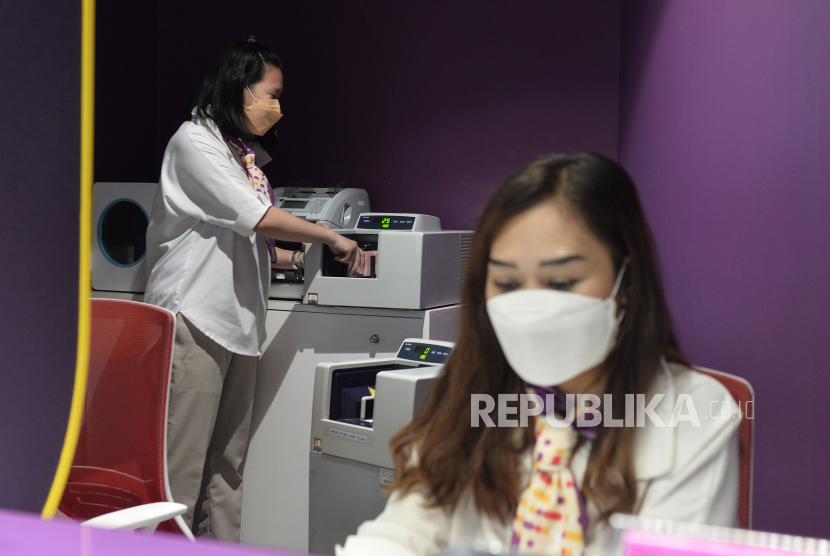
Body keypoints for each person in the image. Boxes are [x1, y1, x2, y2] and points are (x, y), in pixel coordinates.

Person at [337, 153, 740, 556]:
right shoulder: (474, 391)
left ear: (627, 283)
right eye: (507, 283)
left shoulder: (697, 413)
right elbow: (401, 531)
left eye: (561, 281)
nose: (530, 308)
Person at [144, 38, 364, 541]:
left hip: (239, 324)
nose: (277, 107)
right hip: (196, 318)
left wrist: (296, 258)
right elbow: (257, 217)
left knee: (228, 466)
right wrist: (330, 235)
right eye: (272, 94)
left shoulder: (240, 154)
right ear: (239, 88)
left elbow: (245, 241)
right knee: (181, 468)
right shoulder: (193, 142)